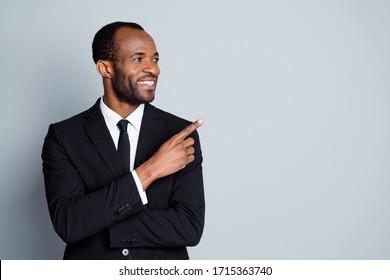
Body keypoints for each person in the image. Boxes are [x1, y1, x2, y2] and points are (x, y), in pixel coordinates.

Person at [41, 22, 205, 260]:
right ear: (105, 68)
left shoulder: (179, 134)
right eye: (138, 59)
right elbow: (69, 223)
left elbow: (190, 228)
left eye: (155, 59)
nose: (153, 69)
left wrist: (97, 218)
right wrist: (150, 171)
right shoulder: (64, 136)